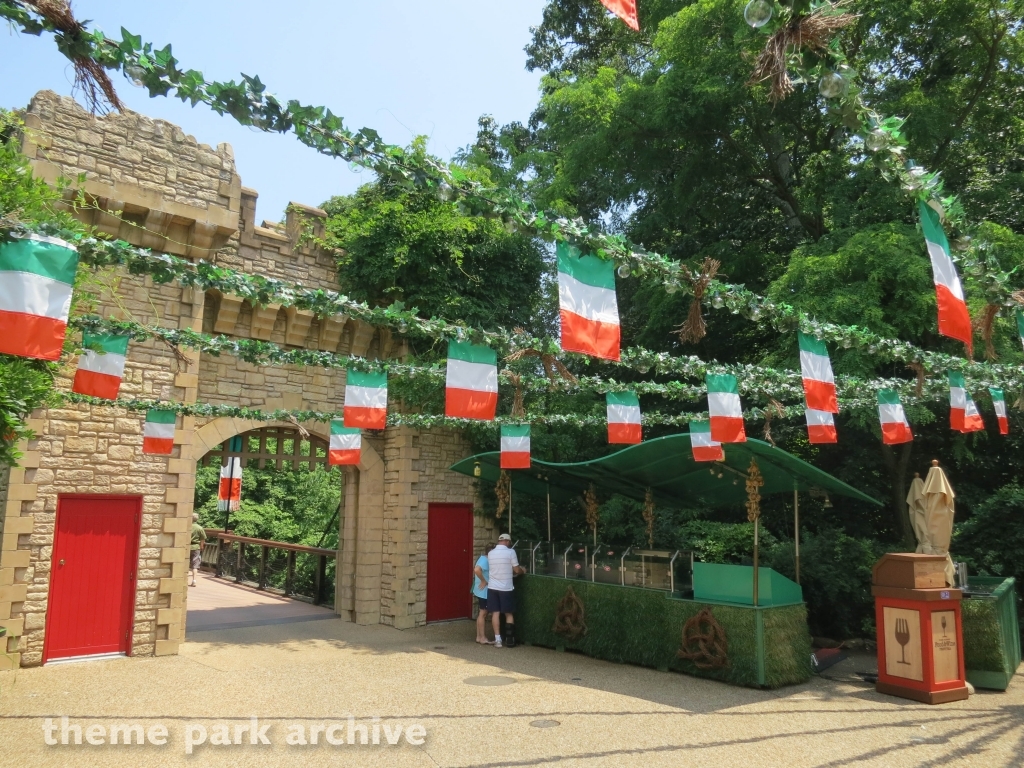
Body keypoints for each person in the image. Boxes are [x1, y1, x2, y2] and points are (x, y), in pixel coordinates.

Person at [486, 534, 525, 648]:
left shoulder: (490, 553)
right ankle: (510, 640)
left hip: (492, 587)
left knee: (495, 613)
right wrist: (523, 570)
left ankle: (498, 640)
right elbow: (516, 570)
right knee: (508, 613)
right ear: (507, 541)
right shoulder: (511, 552)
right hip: (506, 587)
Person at [472, 544, 494, 644]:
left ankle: (479, 636)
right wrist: (483, 581)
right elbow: (476, 570)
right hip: (484, 590)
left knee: (482, 613)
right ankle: (483, 638)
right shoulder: (485, 560)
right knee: (483, 613)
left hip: (481, 590)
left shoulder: (482, 558)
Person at [189, 513, 207, 587]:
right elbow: (202, 539)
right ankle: (194, 580)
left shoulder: (188, 527)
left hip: (187, 546)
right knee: (195, 565)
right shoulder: (200, 528)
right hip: (196, 547)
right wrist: (201, 546)